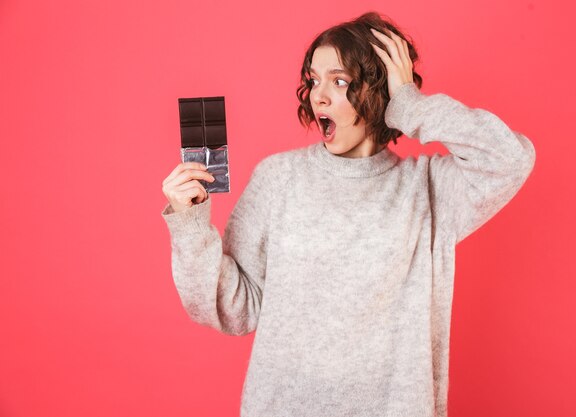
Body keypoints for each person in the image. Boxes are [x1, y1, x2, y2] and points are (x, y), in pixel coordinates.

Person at [160, 11, 536, 417]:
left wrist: (411, 104)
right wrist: (190, 225)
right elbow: (234, 309)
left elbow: (509, 159)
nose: (317, 96)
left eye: (339, 81)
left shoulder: (427, 189)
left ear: (381, 92)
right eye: (313, 80)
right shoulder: (279, 178)